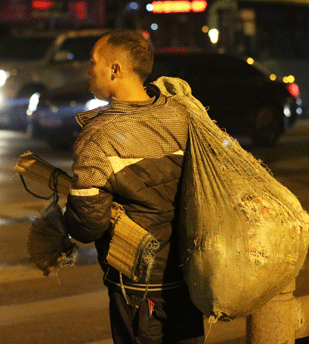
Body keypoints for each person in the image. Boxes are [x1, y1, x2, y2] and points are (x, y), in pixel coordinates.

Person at [63, 30, 205, 344]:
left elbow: (86, 225)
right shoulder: (181, 115)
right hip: (191, 274)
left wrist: (66, 213)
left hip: (139, 285)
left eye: (93, 63)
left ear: (115, 70)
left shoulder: (99, 137)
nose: (88, 71)